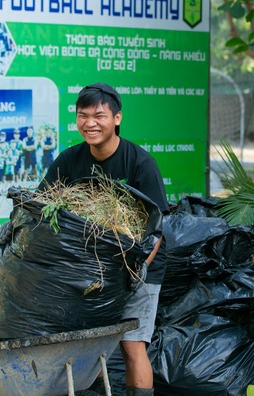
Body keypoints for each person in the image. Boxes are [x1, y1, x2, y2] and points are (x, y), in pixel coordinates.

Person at [36, 83, 168, 396]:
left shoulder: (139, 163)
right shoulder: (69, 161)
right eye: (83, 116)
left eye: (99, 115)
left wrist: (136, 271)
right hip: (88, 271)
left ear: (117, 118)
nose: (90, 123)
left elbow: (158, 228)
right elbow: (42, 204)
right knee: (87, 343)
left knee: (132, 345)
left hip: (137, 268)